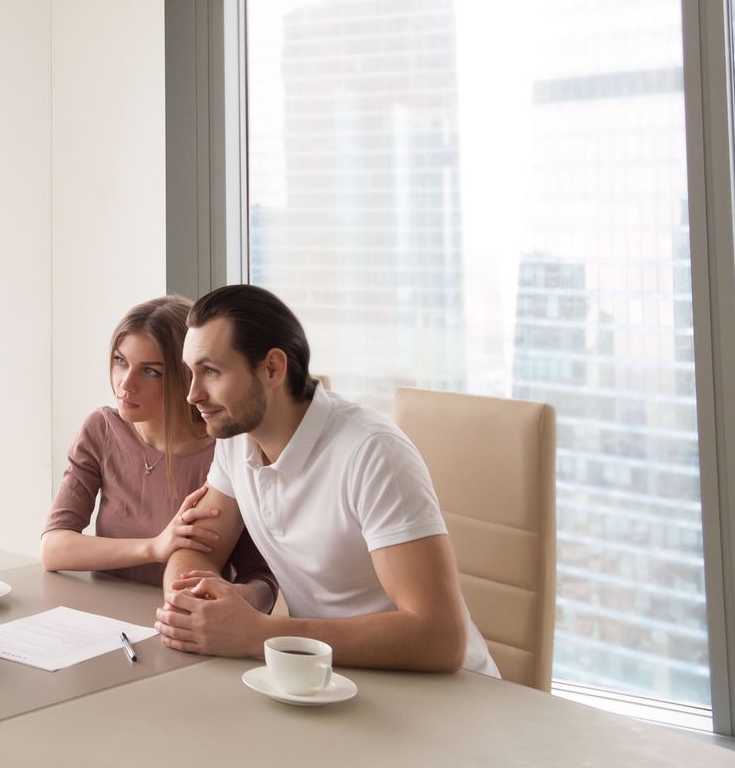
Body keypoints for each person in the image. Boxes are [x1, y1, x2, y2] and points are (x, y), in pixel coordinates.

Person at [152, 284, 498, 676]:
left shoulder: (371, 451)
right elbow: (197, 548)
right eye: (190, 373)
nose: (192, 395)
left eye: (211, 371)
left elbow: (440, 638)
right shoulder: (236, 439)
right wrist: (192, 607)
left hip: (443, 695)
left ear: (272, 369)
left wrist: (260, 635)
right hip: (323, 677)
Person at [41, 295, 276, 597]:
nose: (126, 383)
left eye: (151, 371)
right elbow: (54, 549)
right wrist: (154, 547)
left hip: (187, 625)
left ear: (188, 376)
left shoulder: (228, 451)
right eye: (120, 361)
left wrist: (241, 604)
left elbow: (260, 577)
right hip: (101, 619)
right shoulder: (101, 429)